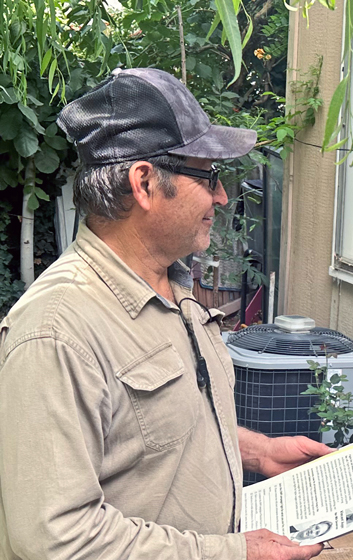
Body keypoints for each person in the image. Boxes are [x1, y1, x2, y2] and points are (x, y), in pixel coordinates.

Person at [0, 67, 331, 560]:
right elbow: (56, 538)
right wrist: (233, 553)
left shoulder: (174, 288)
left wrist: (258, 452)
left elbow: (154, 430)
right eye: (209, 175)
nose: (221, 196)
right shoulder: (56, 331)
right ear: (145, 184)